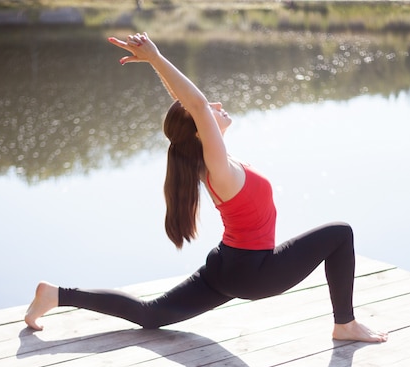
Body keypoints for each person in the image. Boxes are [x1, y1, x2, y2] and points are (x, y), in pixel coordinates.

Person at [25, 32, 387, 343]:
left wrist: (158, 68)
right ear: (201, 131)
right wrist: (156, 57)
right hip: (254, 273)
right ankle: (346, 324)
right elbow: (195, 104)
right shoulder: (217, 167)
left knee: (151, 315)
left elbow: (192, 110)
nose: (215, 105)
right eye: (208, 111)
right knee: (341, 233)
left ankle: (55, 295)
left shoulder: (203, 162)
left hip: (226, 267)